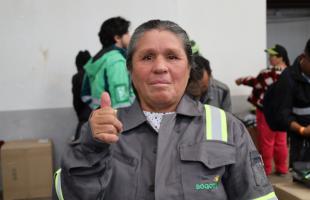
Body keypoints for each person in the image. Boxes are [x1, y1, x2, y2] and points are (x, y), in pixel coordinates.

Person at [54, 20, 277, 200]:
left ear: (189, 68)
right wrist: (89, 148)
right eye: (147, 57)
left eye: (172, 56)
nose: (160, 67)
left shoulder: (227, 126)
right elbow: (69, 193)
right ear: (130, 69)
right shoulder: (103, 131)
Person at [235, 44, 290, 176]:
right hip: (283, 112)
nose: (270, 58)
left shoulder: (268, 73)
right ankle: (282, 169)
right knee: (281, 141)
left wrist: (241, 80)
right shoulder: (290, 73)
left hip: (266, 112)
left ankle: (265, 169)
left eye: (272, 56)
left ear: (280, 57)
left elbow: (255, 82)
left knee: (266, 141)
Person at [271, 39, 310, 167]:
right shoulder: (288, 78)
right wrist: (302, 130)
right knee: (302, 179)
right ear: (305, 57)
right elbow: (282, 115)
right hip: (301, 144)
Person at [81, 16, 135, 109]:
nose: (130, 37)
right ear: (117, 38)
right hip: (119, 119)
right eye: (127, 33)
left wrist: (99, 110)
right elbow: (121, 102)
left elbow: (85, 95)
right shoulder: (116, 60)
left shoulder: (94, 60)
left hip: (101, 116)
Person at [71, 50, 92, 140]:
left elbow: (76, 102)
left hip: (85, 117)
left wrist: (81, 116)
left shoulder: (77, 77)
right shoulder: (97, 75)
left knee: (80, 148)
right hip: (102, 117)